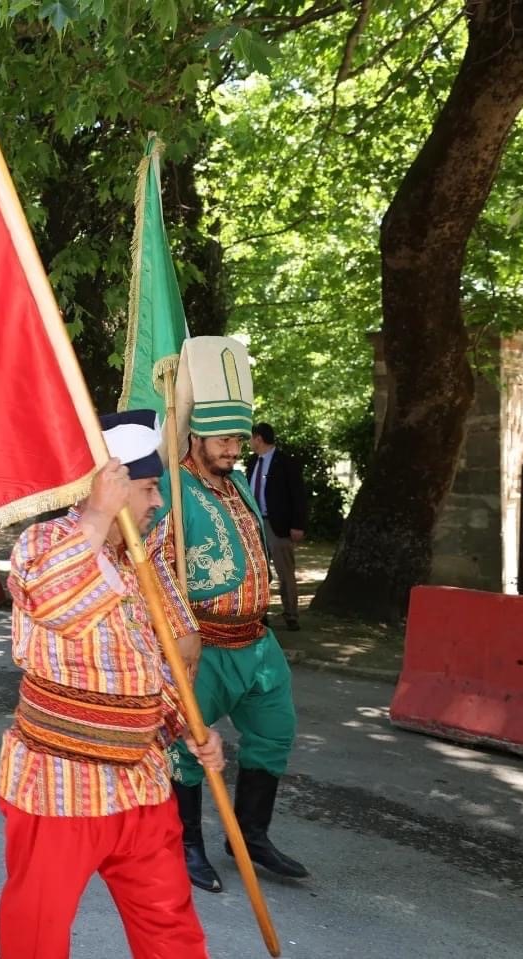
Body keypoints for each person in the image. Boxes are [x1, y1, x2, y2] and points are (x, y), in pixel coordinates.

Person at [0, 409, 221, 959]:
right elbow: (57, 602)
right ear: (109, 485)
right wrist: (97, 515)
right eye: (146, 488)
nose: (156, 503)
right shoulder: (43, 543)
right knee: (38, 931)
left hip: (141, 785)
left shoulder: (147, 563)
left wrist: (189, 727)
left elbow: (154, 661)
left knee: (170, 924)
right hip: (61, 785)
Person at [159, 336, 308, 894]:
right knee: (188, 749)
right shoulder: (173, 489)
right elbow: (150, 567)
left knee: (276, 732)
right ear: (195, 433)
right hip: (203, 646)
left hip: (258, 644)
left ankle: (250, 836)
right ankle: (187, 843)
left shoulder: (239, 480)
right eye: (223, 438)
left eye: (239, 439)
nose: (232, 449)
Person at [248, 423, 308, 631]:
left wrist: (298, 524)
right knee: (259, 571)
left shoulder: (285, 462)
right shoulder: (252, 461)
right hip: (255, 523)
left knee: (285, 572)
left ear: (258, 438)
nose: (249, 442)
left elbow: (298, 495)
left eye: (251, 438)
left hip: (279, 525)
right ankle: (262, 614)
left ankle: (291, 614)